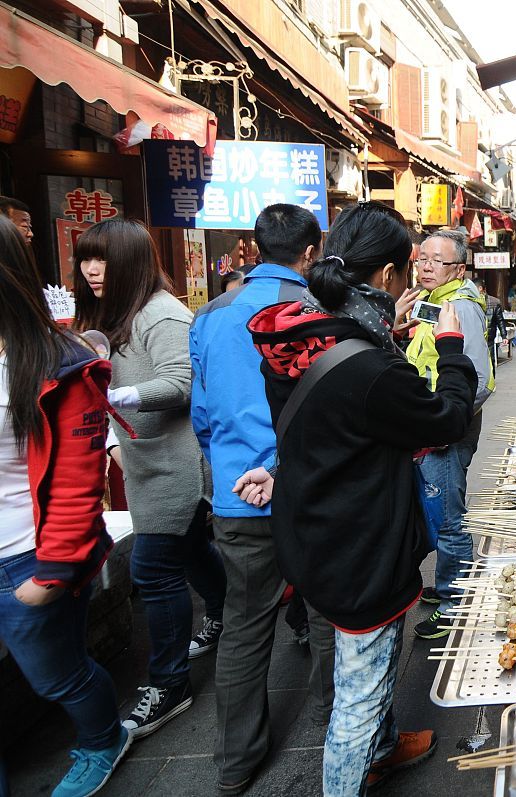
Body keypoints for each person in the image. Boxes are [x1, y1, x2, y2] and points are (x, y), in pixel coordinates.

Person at [247, 201, 476, 796]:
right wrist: (450, 350)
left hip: (315, 526)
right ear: (388, 275)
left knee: (366, 673)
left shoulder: (300, 333)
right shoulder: (369, 368)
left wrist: (388, 334)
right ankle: (355, 766)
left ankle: (385, 744)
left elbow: (330, 422)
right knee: (358, 693)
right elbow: (444, 418)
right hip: (361, 546)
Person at [189, 204, 335, 794]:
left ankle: (235, 761)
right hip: (309, 494)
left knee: (245, 626)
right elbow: (329, 414)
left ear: (254, 247)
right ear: (311, 251)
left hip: (237, 495)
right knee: (329, 615)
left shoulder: (211, 315)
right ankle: (338, 729)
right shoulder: (315, 314)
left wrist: (235, 463)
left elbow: (201, 413)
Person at [72, 218, 226, 740]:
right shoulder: (114, 313)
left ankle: (169, 683)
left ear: (133, 262)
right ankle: (228, 614)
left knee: (153, 570)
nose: (92, 269)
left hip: (178, 463)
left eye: (104, 258)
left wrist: (114, 398)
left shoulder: (160, 314)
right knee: (187, 550)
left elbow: (182, 381)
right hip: (146, 460)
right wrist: (115, 438)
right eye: (86, 258)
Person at [0, 216, 130, 797]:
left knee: (58, 675)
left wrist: (52, 570)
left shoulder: (58, 360)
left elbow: (80, 478)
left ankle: (103, 737)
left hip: (26, 557)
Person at [407, 229, 494, 640]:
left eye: (435, 261)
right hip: (429, 423)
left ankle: (455, 602)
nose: (425, 266)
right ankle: (446, 582)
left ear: (458, 269)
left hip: (445, 430)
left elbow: (478, 378)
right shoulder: (433, 300)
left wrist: (447, 421)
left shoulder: (460, 305)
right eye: (421, 258)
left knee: (449, 518)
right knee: (439, 508)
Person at [475, 277, 503, 365]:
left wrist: (504, 336)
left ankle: (491, 377)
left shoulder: (494, 302)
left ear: (480, 288)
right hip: (476, 337)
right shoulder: (472, 301)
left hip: (489, 337)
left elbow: (500, 320)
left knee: (490, 361)